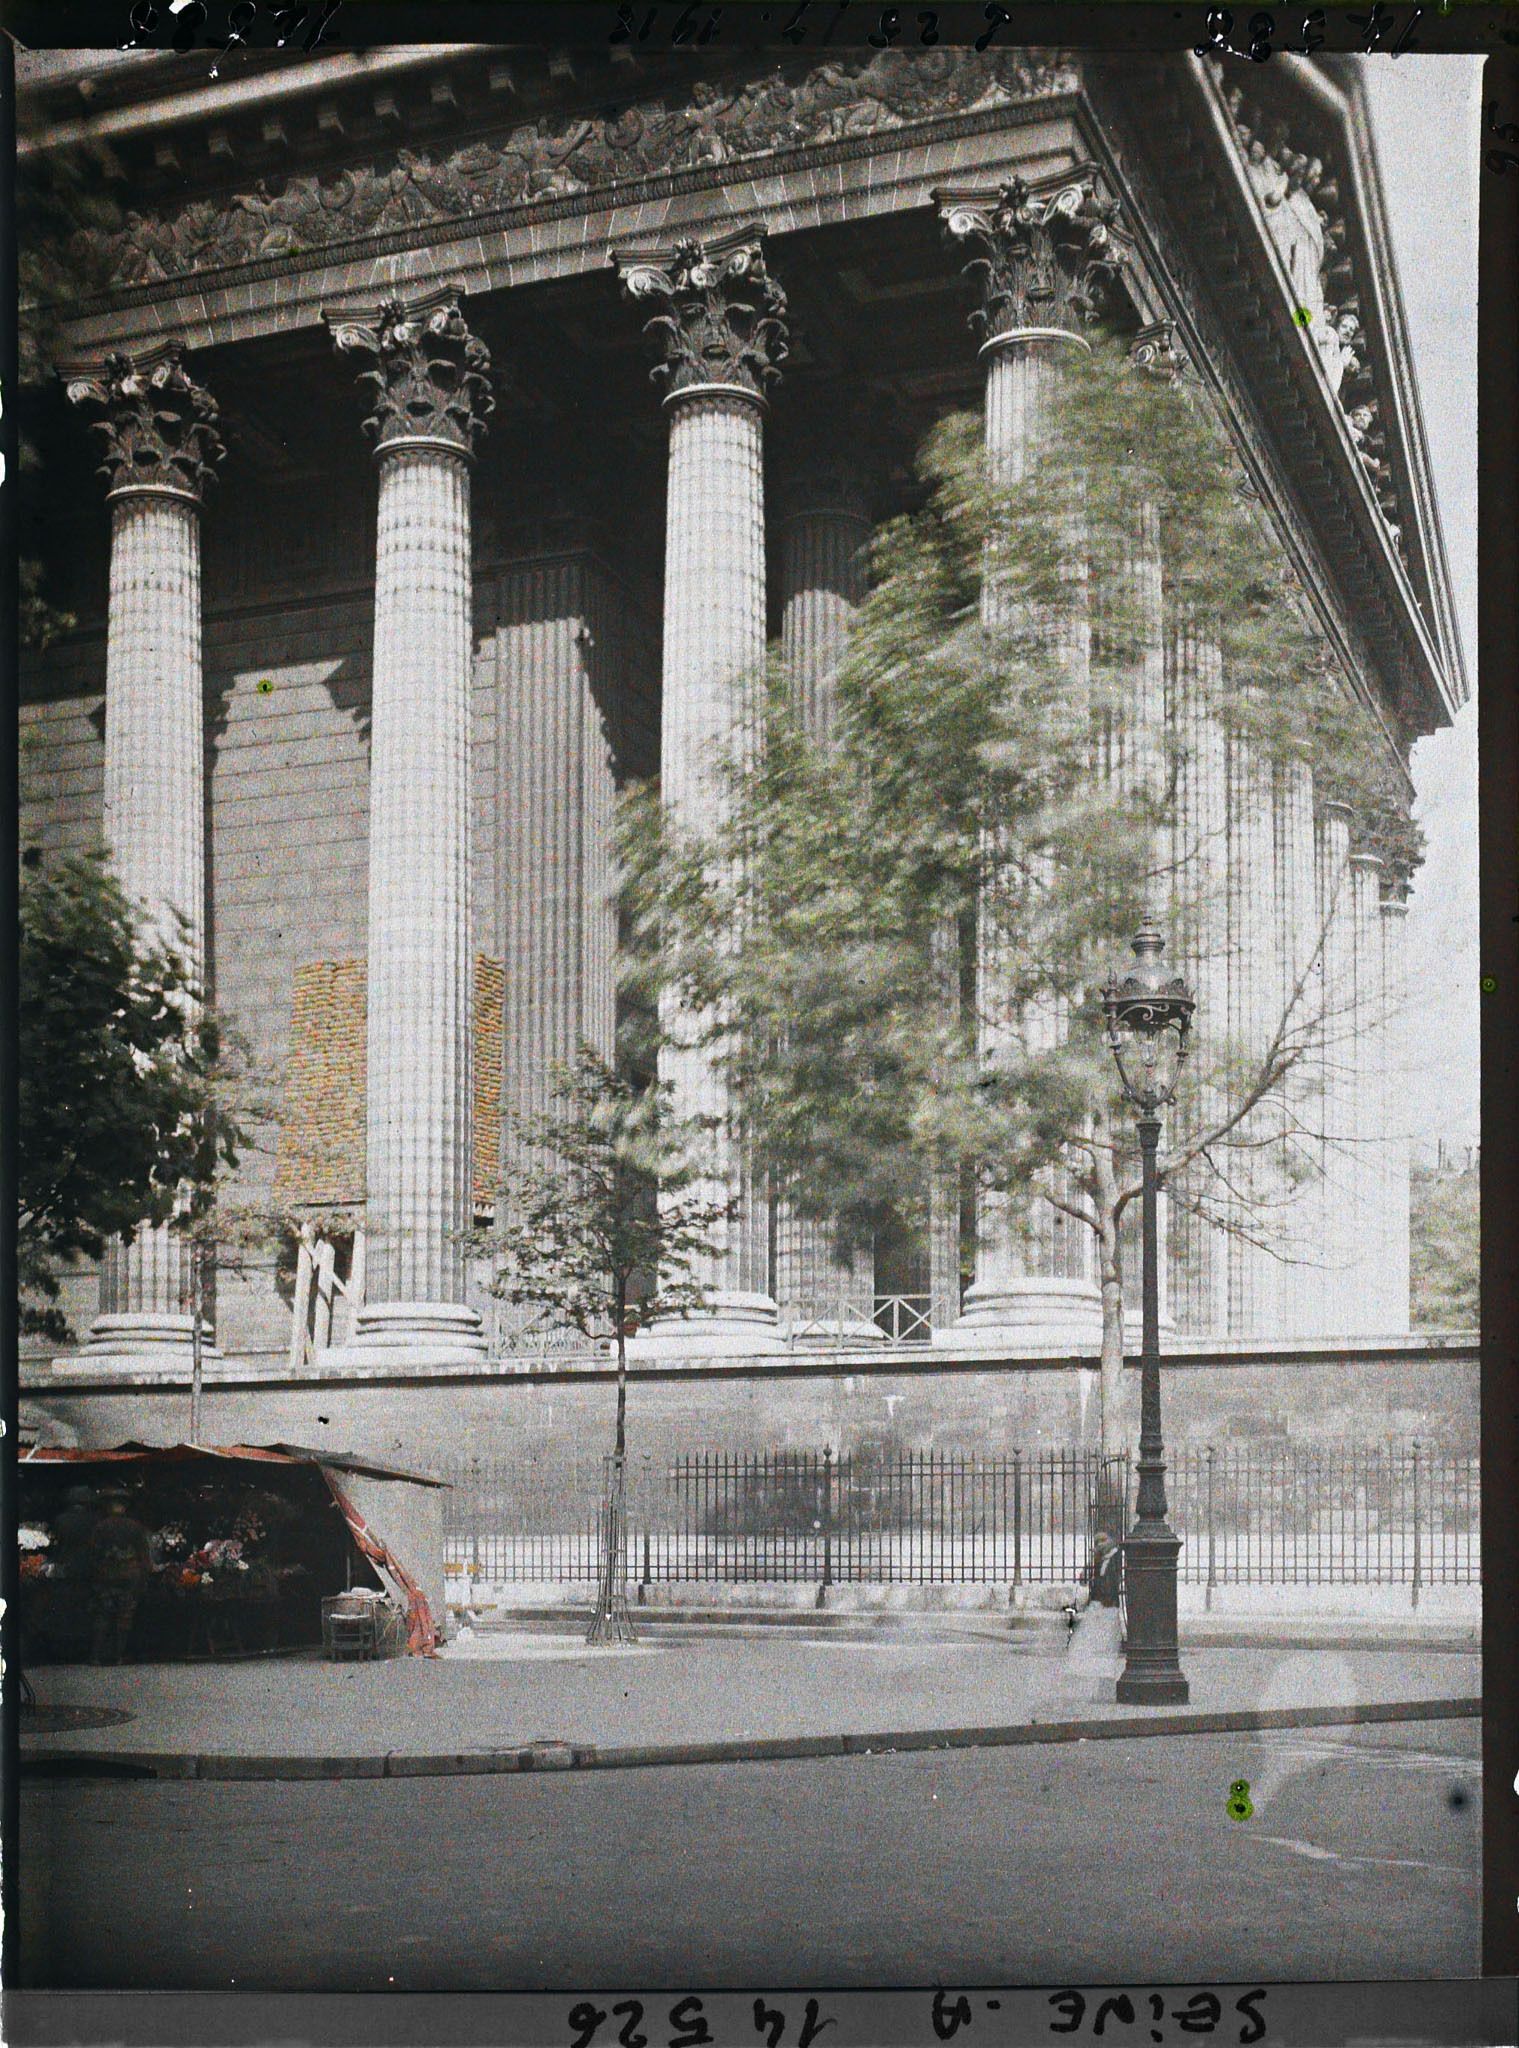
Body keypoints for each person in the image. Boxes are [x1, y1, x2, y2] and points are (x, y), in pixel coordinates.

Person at [87, 1489, 153, 1665]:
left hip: (105, 1575)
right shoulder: (135, 1527)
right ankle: (118, 1656)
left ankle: (96, 1656)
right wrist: (144, 1575)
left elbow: (93, 1553)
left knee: (102, 1615)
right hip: (129, 1576)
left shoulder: (100, 1527)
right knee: (125, 1616)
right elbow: (144, 1555)